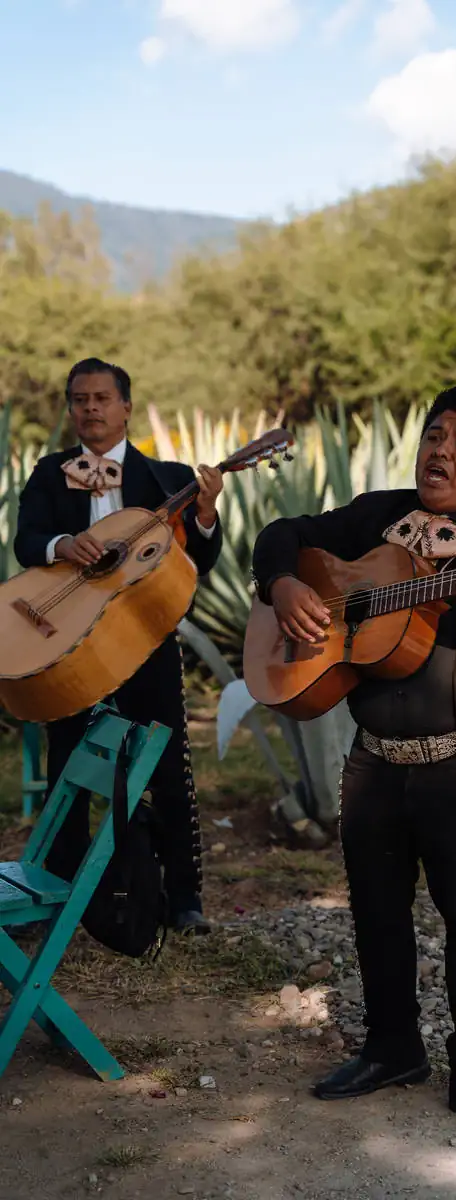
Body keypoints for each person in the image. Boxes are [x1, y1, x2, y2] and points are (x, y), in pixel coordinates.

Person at [252, 386, 456, 1131]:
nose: (441, 450)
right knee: (377, 914)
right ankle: (392, 1047)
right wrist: (286, 582)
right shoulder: (376, 513)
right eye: (435, 434)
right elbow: (281, 530)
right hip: (375, 758)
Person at [14, 357, 224, 934]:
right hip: (69, 646)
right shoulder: (49, 473)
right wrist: (62, 544)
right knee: (67, 765)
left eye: (102, 398)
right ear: (70, 408)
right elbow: (25, 539)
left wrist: (205, 515)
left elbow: (199, 561)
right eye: (79, 399)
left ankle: (183, 900)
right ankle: (59, 895)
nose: (91, 408)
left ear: (126, 407)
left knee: (167, 766)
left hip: (142, 641)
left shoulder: (167, 478)